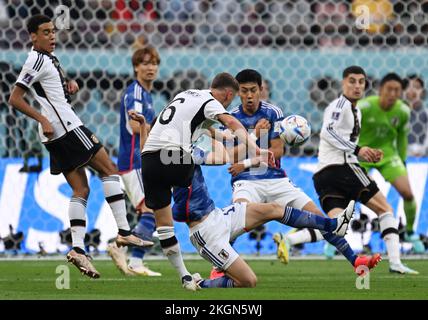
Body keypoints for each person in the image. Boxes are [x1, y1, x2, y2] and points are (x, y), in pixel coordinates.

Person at [130, 110, 356, 288]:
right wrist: (252, 140)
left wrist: (143, 129)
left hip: (219, 217)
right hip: (205, 234)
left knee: (274, 208)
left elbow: (148, 154)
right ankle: (202, 283)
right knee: (248, 281)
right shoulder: (181, 156)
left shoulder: (172, 153)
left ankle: (332, 225)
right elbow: (223, 157)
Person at [8, 14, 152, 279]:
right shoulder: (36, 59)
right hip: (66, 128)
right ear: (32, 36)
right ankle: (124, 231)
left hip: (55, 132)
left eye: (53, 31)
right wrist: (42, 118)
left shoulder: (48, 59)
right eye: (45, 32)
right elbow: (15, 98)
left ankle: (77, 249)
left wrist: (67, 87)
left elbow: (47, 91)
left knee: (81, 188)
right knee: (109, 170)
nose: (52, 36)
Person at [226, 69, 380, 275]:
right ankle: (218, 267)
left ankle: (356, 261)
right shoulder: (231, 118)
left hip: (275, 179)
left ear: (261, 89)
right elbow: (229, 155)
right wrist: (254, 136)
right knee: (237, 217)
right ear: (238, 92)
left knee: (317, 216)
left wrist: (247, 157)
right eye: (244, 91)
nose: (249, 96)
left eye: (253, 90)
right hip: (247, 181)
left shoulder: (274, 113)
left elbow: (277, 150)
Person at [139, 72, 273, 291]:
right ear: (229, 95)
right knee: (214, 157)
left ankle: (185, 276)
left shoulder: (187, 96)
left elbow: (220, 135)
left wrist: (249, 136)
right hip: (177, 160)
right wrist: (256, 147)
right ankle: (207, 228)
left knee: (163, 226)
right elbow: (229, 126)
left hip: (150, 159)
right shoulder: (211, 103)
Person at [281, 66, 417, 274]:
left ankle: (290, 239)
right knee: (385, 209)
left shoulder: (355, 109)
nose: (357, 86)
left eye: (361, 82)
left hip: (323, 174)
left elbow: (342, 137)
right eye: (352, 81)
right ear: (343, 83)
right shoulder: (341, 105)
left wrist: (367, 152)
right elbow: (327, 132)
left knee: (337, 226)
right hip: (343, 167)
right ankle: (396, 263)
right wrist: (359, 149)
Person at [106, 46, 161, 277]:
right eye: (145, 63)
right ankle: (122, 249)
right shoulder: (135, 93)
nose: (150, 67)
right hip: (134, 160)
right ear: (136, 67)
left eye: (154, 63)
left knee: (152, 210)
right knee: (153, 209)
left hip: (141, 161)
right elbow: (134, 126)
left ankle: (133, 259)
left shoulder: (145, 95)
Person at [358, 73, 421, 247]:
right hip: (362, 155)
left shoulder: (402, 111)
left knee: (407, 193)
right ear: (380, 90)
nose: (393, 94)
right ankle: (335, 237)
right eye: (389, 89)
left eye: (397, 90)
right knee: (349, 197)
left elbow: (402, 138)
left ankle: (409, 232)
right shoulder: (364, 107)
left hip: (387, 155)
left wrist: (402, 161)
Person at [404, 75, 428, 157]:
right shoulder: (398, 114)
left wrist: (422, 150)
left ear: (423, 92)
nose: (412, 90)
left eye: (417, 87)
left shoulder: (426, 113)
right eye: (409, 87)